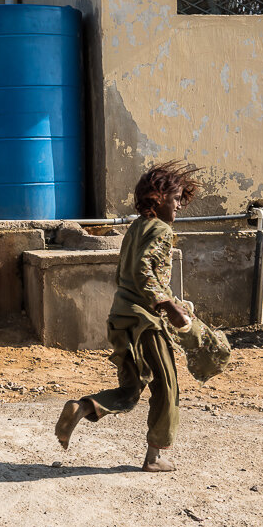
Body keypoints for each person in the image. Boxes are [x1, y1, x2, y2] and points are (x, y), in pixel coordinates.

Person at [56, 161, 203, 471]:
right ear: (159, 197)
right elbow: (144, 271)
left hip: (120, 316)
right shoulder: (161, 230)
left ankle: (83, 407)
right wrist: (168, 306)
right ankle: (155, 457)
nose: (179, 206)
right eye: (176, 199)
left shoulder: (135, 227)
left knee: (131, 388)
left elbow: (129, 273)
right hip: (144, 323)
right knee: (167, 386)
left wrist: (175, 301)